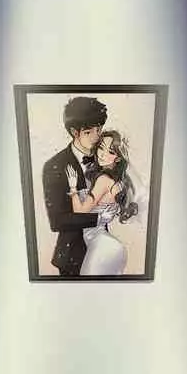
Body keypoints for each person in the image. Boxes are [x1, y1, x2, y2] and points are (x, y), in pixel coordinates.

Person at [42, 96, 108, 276]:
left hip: (103, 251)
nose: (96, 137)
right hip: (73, 256)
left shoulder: (105, 157)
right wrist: (99, 218)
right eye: (88, 132)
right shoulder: (55, 166)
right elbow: (57, 221)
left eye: (99, 129)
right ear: (74, 132)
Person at [65, 130, 138, 275]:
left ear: (118, 158)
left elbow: (80, 212)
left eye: (110, 152)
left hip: (103, 246)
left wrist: (73, 188)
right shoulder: (118, 182)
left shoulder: (103, 180)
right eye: (101, 148)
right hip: (111, 247)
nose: (102, 154)